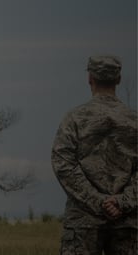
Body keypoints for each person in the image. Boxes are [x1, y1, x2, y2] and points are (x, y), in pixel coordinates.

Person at [51, 56, 137, 255]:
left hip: (83, 222)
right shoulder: (134, 121)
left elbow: (64, 166)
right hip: (127, 223)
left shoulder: (74, 119)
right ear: (119, 79)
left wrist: (98, 201)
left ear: (90, 78)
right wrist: (121, 202)